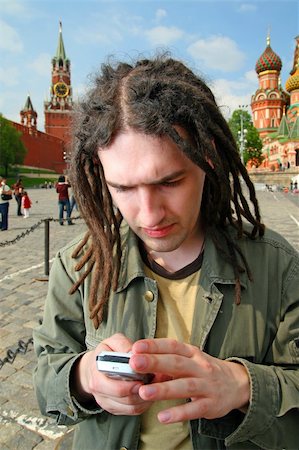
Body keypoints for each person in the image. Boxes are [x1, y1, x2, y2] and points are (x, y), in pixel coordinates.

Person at [33, 55, 299, 450]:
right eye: (122, 188)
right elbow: (47, 376)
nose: (150, 214)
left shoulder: (278, 267)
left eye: (170, 181)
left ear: (208, 159)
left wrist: (244, 387)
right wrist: (84, 377)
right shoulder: (79, 267)